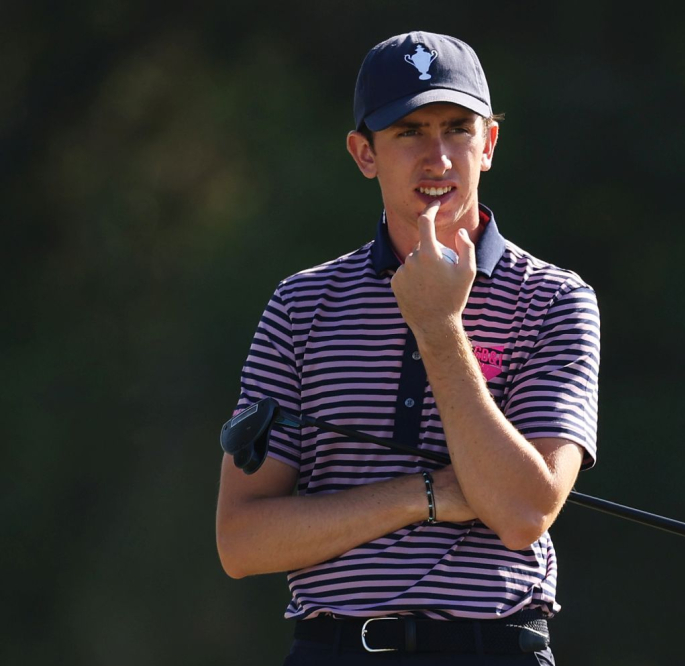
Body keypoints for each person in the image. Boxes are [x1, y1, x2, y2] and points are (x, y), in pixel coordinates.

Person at [215, 30, 601, 665]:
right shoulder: (299, 306)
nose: (439, 158)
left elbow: (524, 512)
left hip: (492, 646)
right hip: (334, 648)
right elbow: (241, 541)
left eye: (456, 128)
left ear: (490, 143)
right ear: (364, 153)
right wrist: (423, 495)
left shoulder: (555, 300)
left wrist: (438, 327)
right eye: (407, 132)